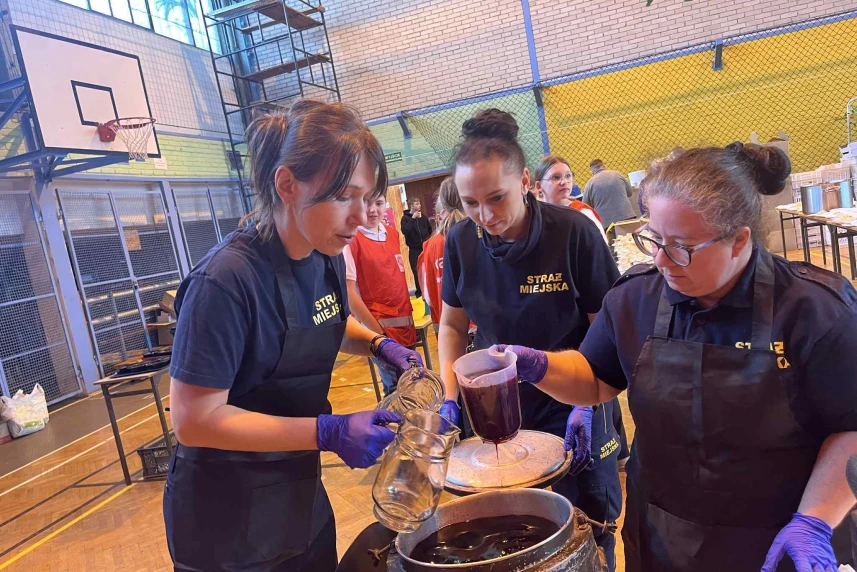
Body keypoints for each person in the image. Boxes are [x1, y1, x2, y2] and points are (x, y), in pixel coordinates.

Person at [495, 142, 857, 572]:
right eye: (654, 239)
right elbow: (596, 378)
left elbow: (851, 427)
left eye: (681, 246)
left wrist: (814, 521)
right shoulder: (636, 297)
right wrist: (538, 365)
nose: (662, 260)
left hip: (780, 539)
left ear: (740, 240)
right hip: (666, 538)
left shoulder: (814, 311)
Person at [163, 101, 424, 572]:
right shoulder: (225, 283)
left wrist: (377, 345)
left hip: (297, 497)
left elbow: (321, 318)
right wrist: (328, 430)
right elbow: (194, 418)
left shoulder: (322, 252)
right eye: (345, 196)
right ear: (287, 185)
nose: (362, 217)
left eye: (368, 199)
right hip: (226, 525)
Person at [437, 109, 624, 571]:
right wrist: (448, 396)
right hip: (501, 408)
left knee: (590, 521)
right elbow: (452, 327)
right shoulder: (461, 242)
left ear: (525, 181)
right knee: (520, 529)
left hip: (576, 401)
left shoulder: (573, 234)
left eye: (496, 198)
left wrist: (585, 401)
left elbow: (609, 327)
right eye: (470, 203)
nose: (485, 215)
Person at [343, 193, 418, 396]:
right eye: (367, 202)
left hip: (406, 326)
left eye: (379, 203)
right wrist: (378, 336)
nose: (373, 209)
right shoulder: (351, 240)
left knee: (414, 387)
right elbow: (349, 294)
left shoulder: (392, 234)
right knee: (396, 392)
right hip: (381, 333)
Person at [417, 177, 466, 330]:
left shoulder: (429, 247)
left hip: (447, 330)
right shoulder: (480, 236)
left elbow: (428, 297)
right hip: (481, 329)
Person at [535, 154, 608, 244]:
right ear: (539, 186)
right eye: (556, 177)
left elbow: (601, 250)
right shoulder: (534, 217)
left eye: (568, 176)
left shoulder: (583, 213)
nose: (564, 181)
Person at [583, 159, 637, 229]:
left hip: (607, 223)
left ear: (592, 171)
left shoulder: (590, 183)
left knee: (614, 240)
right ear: (604, 166)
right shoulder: (617, 174)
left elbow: (585, 206)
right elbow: (629, 193)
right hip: (627, 216)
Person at [401, 197, 432, 297]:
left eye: (419, 203)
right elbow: (405, 231)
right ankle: (420, 293)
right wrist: (413, 219)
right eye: (417, 204)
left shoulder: (423, 217)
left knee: (429, 269)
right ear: (411, 206)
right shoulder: (405, 218)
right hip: (414, 249)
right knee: (417, 271)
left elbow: (429, 229)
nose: (420, 205)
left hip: (425, 247)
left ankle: (431, 290)